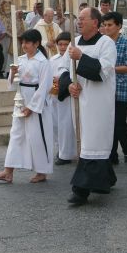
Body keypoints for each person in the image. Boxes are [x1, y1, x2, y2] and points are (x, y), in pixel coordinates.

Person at [58, 7, 117, 206]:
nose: (79, 22)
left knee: (93, 144)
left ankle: (80, 190)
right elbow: (63, 70)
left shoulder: (106, 43)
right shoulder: (73, 44)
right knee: (86, 142)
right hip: (80, 101)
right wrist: (70, 85)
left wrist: (81, 58)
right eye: (78, 19)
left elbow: (102, 72)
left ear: (95, 22)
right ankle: (106, 178)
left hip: (98, 103)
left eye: (83, 19)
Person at [0, 29, 54, 184]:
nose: (24, 45)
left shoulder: (43, 62)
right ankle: (8, 171)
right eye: (22, 42)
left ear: (36, 43)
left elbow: (45, 86)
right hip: (21, 100)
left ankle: (42, 171)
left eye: (27, 42)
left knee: (36, 136)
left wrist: (32, 107)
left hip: (36, 103)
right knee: (16, 134)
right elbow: (13, 85)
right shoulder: (21, 59)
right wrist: (13, 73)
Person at [101, 11, 127, 165]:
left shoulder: (126, 43)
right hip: (105, 88)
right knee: (110, 122)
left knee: (119, 122)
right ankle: (113, 154)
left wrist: (109, 68)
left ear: (119, 26)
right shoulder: (102, 43)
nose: (107, 28)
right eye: (105, 25)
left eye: (110, 25)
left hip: (121, 88)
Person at [49, 32, 77, 165]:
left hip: (66, 96)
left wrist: (62, 80)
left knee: (66, 125)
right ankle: (60, 148)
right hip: (54, 95)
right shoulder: (52, 60)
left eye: (66, 44)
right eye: (60, 44)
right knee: (55, 124)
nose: (63, 47)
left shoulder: (73, 59)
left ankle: (66, 153)